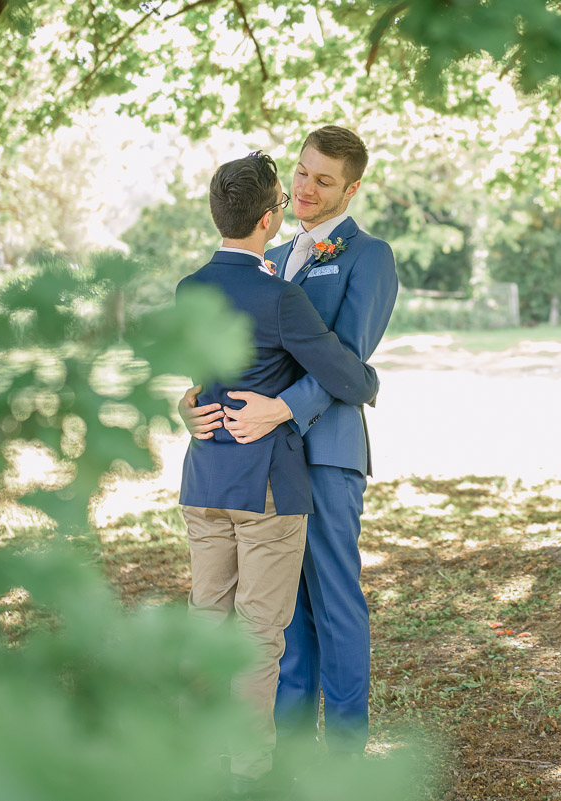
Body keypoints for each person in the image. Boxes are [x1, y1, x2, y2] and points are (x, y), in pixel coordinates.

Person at [182, 126, 398, 758]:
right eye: (301, 173)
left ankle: (346, 758)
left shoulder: (367, 256)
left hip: (325, 450)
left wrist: (281, 407)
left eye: (323, 180)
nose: (305, 187)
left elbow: (348, 361)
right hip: (264, 462)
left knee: (334, 600)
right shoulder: (270, 259)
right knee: (280, 614)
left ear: (351, 189)